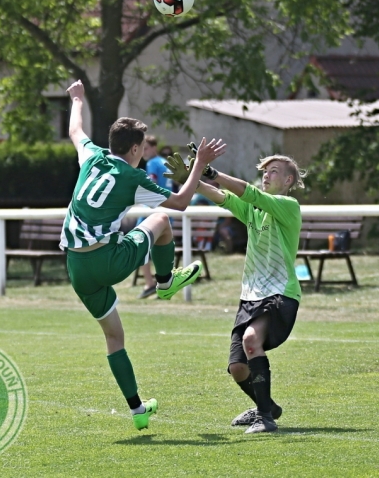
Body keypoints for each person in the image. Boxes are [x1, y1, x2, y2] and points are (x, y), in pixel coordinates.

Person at [60, 80, 225, 432]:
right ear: (135, 148)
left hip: (77, 267)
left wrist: (76, 98)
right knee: (162, 218)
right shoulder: (132, 176)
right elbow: (180, 203)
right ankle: (165, 282)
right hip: (106, 260)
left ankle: (138, 409)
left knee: (114, 337)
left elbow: (75, 128)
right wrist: (200, 164)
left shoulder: (91, 155)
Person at [165, 150, 305, 434]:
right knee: (238, 368)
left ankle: (265, 419)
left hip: (280, 293)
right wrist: (191, 179)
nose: (267, 174)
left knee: (252, 341)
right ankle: (268, 406)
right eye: (265, 170)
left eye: (274, 171)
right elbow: (224, 198)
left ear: (289, 180)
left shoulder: (288, 205)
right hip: (251, 295)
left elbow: (249, 193)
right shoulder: (254, 210)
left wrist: (213, 174)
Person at [137, 135, 173, 299]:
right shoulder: (164, 163)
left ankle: (149, 283)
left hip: (151, 211)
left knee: (139, 247)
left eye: (145, 148)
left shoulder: (152, 163)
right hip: (167, 210)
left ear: (153, 148)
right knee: (162, 250)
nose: (143, 152)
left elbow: (152, 186)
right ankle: (164, 284)